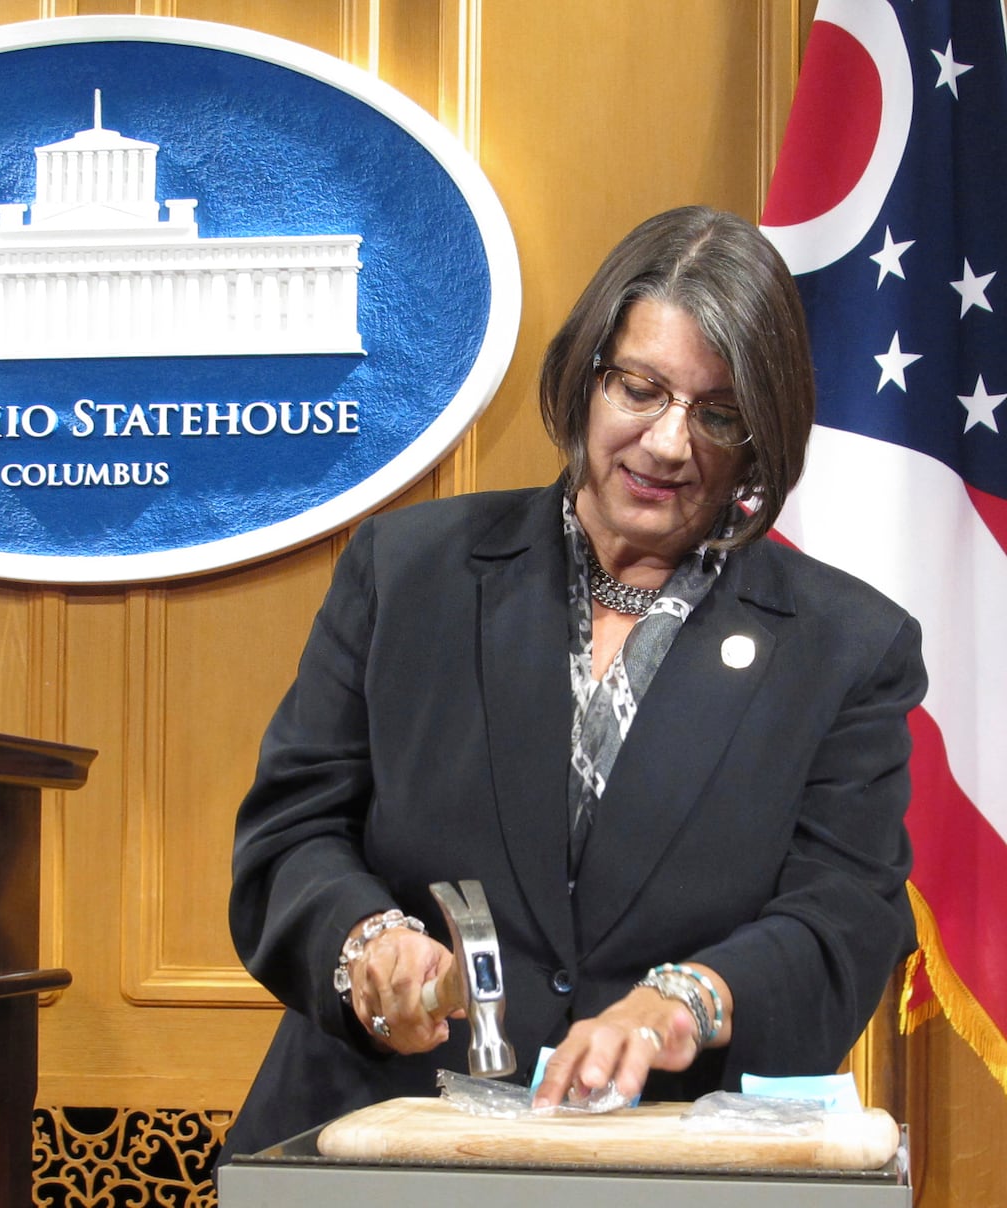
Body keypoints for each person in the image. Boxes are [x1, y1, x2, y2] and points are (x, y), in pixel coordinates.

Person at [221, 205, 925, 1158]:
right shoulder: (407, 570)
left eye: (717, 414)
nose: (670, 445)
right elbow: (289, 836)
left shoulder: (849, 647)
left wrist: (686, 1003)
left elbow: (844, 917)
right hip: (380, 1135)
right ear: (586, 373)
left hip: (664, 1158)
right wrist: (365, 946)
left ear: (760, 437)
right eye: (641, 388)